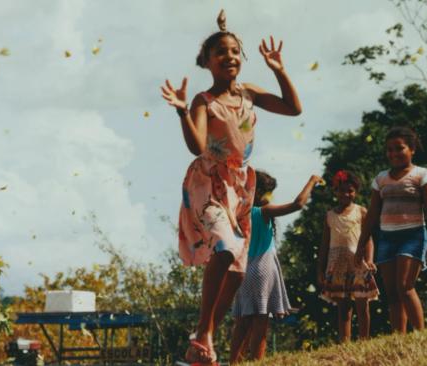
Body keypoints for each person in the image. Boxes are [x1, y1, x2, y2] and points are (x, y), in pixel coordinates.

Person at [160, 9, 302, 364]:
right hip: (208, 183)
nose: (230, 57)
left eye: (235, 51)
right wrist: (181, 111)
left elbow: (293, 108)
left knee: (238, 271)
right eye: (221, 52)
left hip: (240, 187)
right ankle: (204, 333)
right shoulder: (204, 102)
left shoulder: (250, 94)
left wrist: (279, 69)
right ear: (206, 61)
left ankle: (201, 343)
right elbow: (197, 145)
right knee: (224, 247)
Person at [355, 126, 427, 333]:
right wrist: (360, 246)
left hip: (413, 236)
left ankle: (421, 334)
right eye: (389, 149)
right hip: (387, 238)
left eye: (399, 148)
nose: (393, 153)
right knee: (392, 292)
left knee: (405, 286)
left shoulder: (422, 175)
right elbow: (372, 215)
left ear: (412, 149)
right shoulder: (381, 179)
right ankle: (399, 337)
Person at [229, 172, 323, 363]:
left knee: (242, 321)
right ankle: (257, 361)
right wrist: (312, 180)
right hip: (263, 267)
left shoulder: (238, 212)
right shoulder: (262, 211)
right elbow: (298, 204)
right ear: (260, 192)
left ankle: (234, 362)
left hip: (242, 269)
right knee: (261, 320)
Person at [318, 170, 379, 342]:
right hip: (336, 264)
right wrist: (320, 270)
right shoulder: (329, 215)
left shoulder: (361, 211)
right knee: (343, 305)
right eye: (341, 190)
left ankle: (364, 339)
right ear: (335, 191)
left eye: (350, 190)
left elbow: (368, 239)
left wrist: (369, 260)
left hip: (358, 261)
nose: (346, 194)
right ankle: (345, 341)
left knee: (361, 301)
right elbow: (324, 245)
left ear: (356, 192)